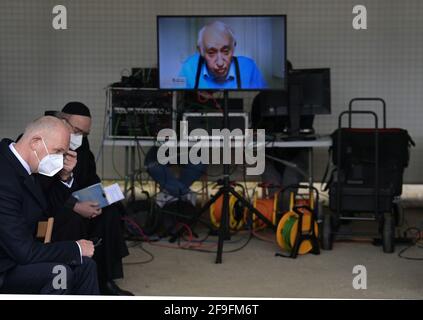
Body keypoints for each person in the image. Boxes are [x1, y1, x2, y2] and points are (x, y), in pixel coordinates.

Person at [0, 116, 99, 294]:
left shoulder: (24, 166)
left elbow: (46, 209)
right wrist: (75, 248)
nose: (60, 159)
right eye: (58, 151)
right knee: (60, 274)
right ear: (36, 142)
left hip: (17, 255)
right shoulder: (4, 176)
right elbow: (25, 252)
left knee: (86, 266)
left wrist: (64, 176)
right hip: (5, 266)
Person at [45, 102, 132, 296]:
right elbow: (40, 189)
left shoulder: (81, 146)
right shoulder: (45, 142)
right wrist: (74, 206)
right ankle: (78, 273)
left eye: (84, 134)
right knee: (74, 219)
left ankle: (105, 279)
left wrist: (100, 197)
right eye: (76, 131)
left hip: (78, 200)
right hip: (54, 209)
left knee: (110, 211)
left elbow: (90, 178)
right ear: (62, 121)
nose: (79, 138)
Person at [179, 20, 267, 89]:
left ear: (234, 47)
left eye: (225, 51)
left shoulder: (249, 67)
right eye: (211, 53)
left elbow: (262, 100)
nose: (220, 63)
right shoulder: (189, 68)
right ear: (200, 51)